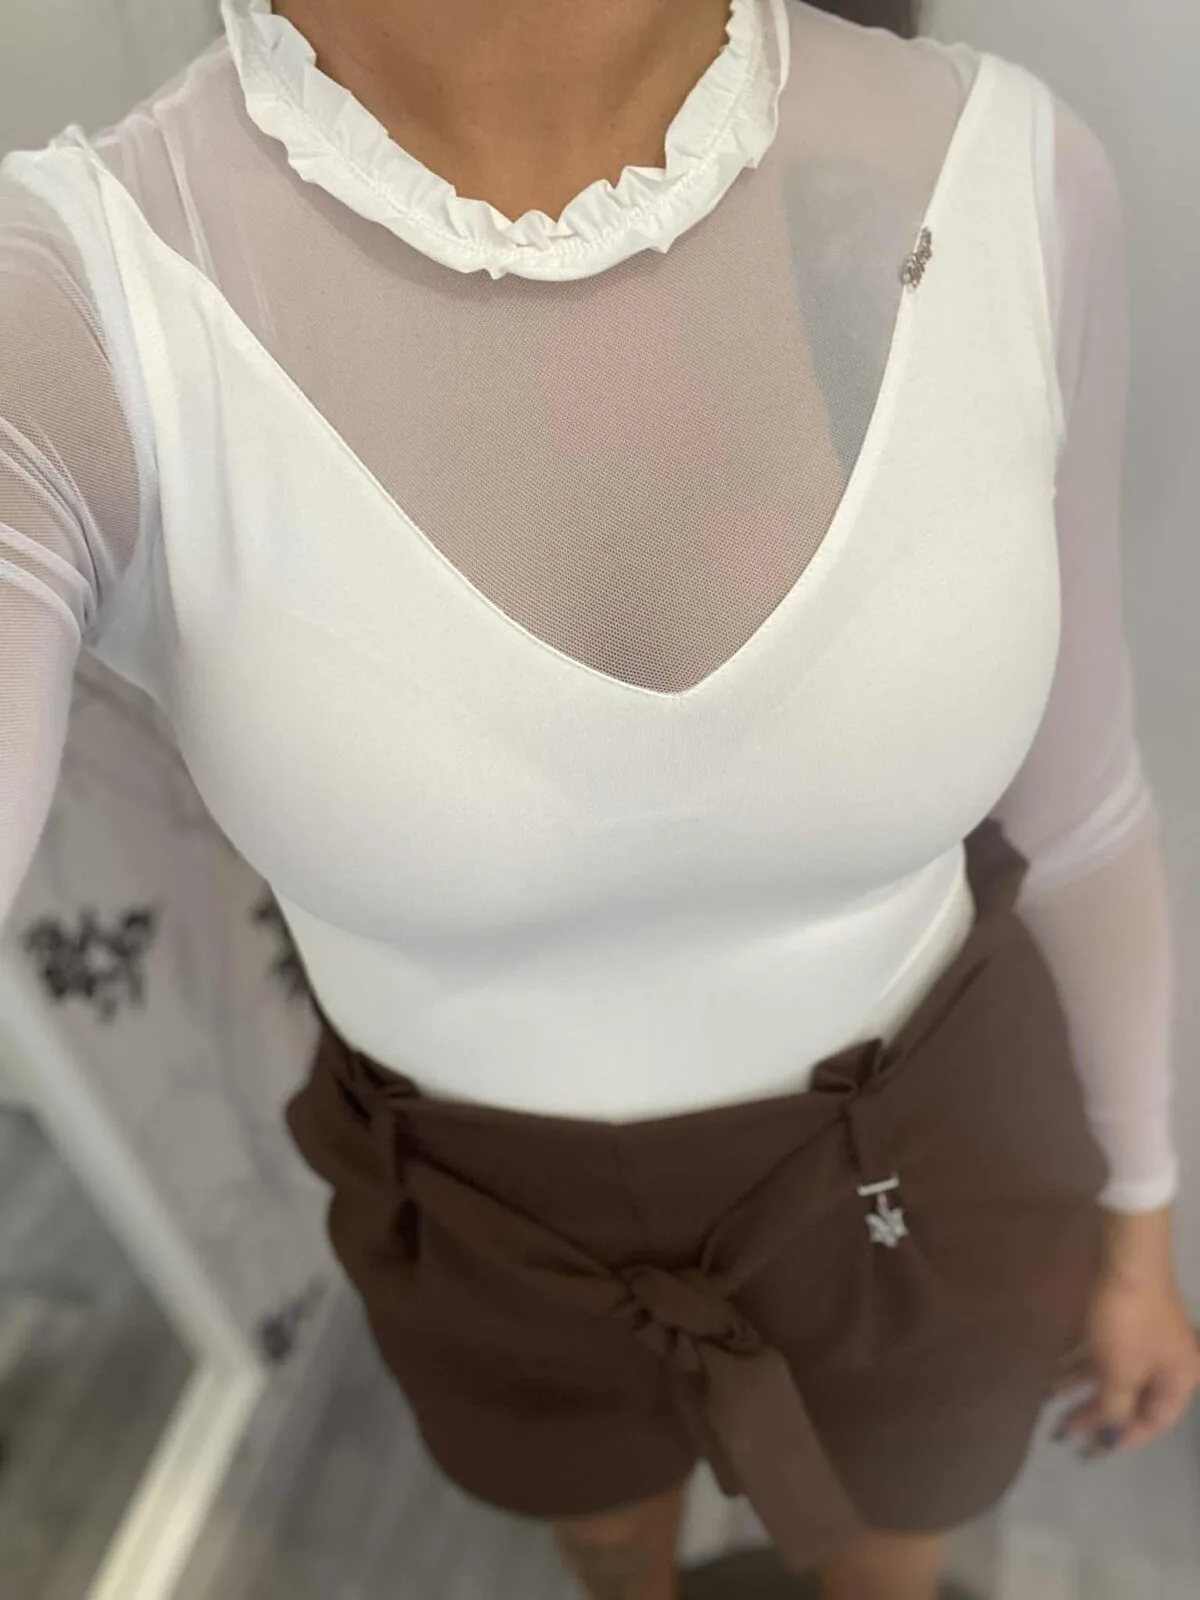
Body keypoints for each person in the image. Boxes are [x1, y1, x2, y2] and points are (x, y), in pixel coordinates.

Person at [1, 2, 1197, 1597]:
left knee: (892, 1557)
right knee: (611, 1554)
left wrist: (1141, 1215)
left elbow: (1089, 805)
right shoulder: (74, 304)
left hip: (924, 1158)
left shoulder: (1013, 172)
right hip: (487, 1224)